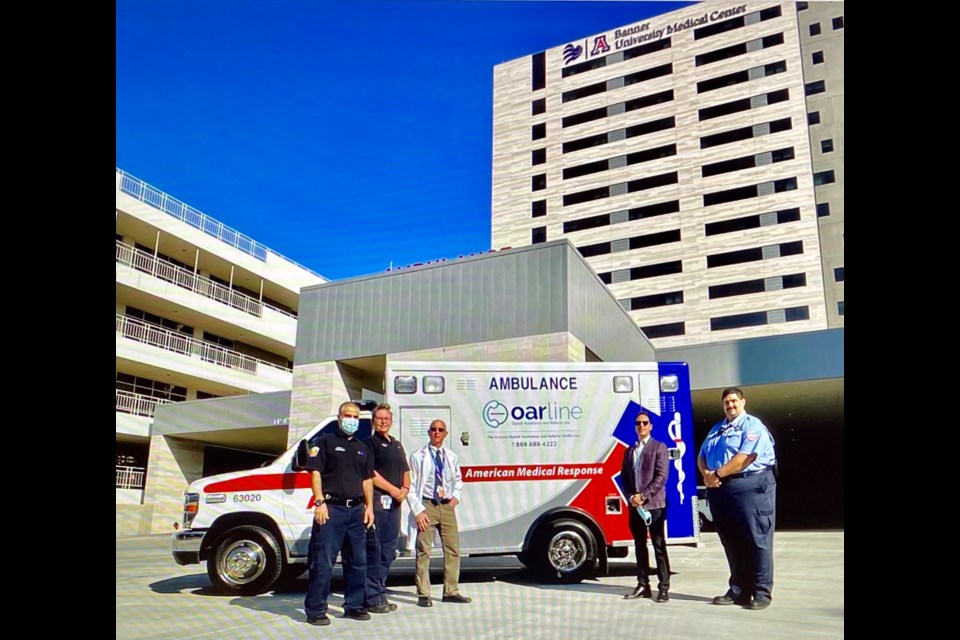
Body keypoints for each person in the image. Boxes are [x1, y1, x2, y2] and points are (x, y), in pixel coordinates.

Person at [698, 387, 777, 611]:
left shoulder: (753, 426)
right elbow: (702, 455)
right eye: (726, 402)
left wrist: (718, 474)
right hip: (721, 488)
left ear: (743, 402)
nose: (730, 405)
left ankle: (761, 592)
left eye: (734, 401)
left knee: (756, 539)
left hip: (750, 486)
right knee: (731, 541)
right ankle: (739, 590)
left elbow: (745, 457)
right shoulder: (717, 428)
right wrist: (707, 475)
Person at [303, 401, 375, 626]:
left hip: (356, 512)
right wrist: (319, 502)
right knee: (323, 562)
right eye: (347, 415)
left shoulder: (363, 448)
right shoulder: (324, 443)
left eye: (355, 416)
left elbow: (367, 480)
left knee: (358, 562)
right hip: (331, 510)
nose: (352, 420)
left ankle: (354, 606)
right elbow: (315, 474)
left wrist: (369, 507)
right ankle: (315, 610)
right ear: (339, 416)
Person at [406, 418, 471, 607]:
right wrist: (418, 510)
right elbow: (410, 486)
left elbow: (458, 479)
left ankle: (451, 591)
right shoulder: (417, 456)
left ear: (445, 434)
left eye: (440, 429)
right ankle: (424, 594)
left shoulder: (451, 456)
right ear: (429, 432)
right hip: (427, 505)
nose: (436, 432)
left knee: (452, 549)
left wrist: (456, 495)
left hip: (446, 506)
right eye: (433, 429)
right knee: (424, 550)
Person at [363, 403, 411, 613]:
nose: (383, 421)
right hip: (378, 502)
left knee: (388, 551)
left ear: (391, 421)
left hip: (395, 504)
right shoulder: (369, 443)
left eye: (387, 418)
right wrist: (393, 490)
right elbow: (370, 473)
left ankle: (380, 592)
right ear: (373, 421)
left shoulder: (397, 445)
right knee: (375, 550)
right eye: (379, 418)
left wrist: (405, 489)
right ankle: (371, 598)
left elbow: (406, 469)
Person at [620, 411, 671, 603]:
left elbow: (661, 477)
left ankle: (664, 587)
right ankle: (643, 585)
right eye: (638, 423)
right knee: (639, 546)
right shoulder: (629, 451)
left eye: (645, 423)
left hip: (654, 505)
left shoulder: (659, 447)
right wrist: (631, 497)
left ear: (651, 426)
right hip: (635, 506)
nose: (641, 426)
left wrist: (644, 496)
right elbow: (624, 478)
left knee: (658, 545)